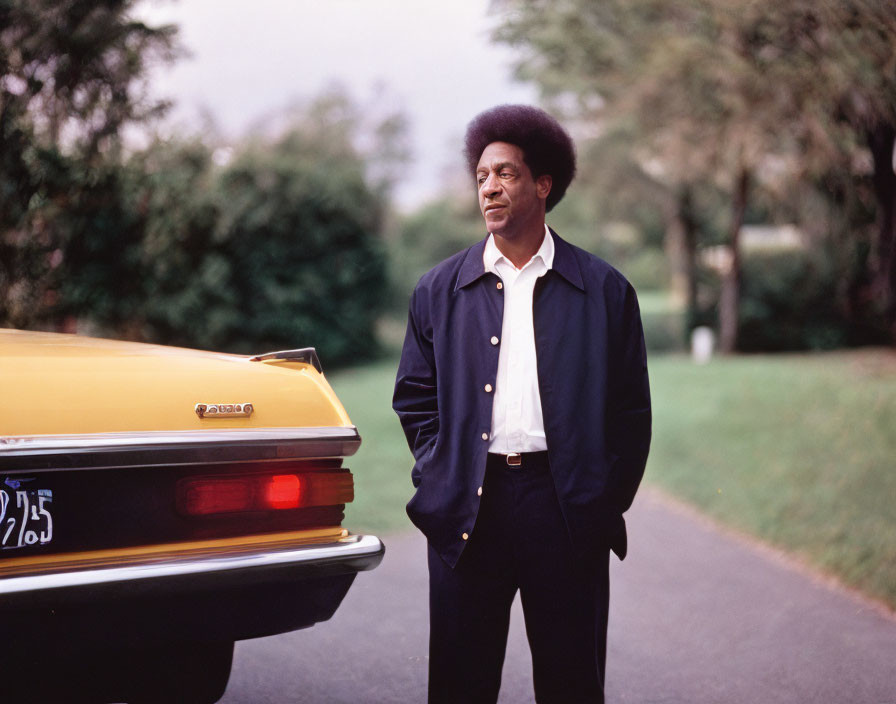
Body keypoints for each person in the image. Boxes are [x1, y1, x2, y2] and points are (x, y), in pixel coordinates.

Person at [393, 104, 651, 703]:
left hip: (563, 513)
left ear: (543, 184)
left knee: (571, 683)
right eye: (482, 175)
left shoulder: (605, 290)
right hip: (468, 509)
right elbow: (414, 396)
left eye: (506, 173)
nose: (489, 186)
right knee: (461, 682)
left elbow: (630, 414)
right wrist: (441, 467)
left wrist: (600, 497)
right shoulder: (438, 289)